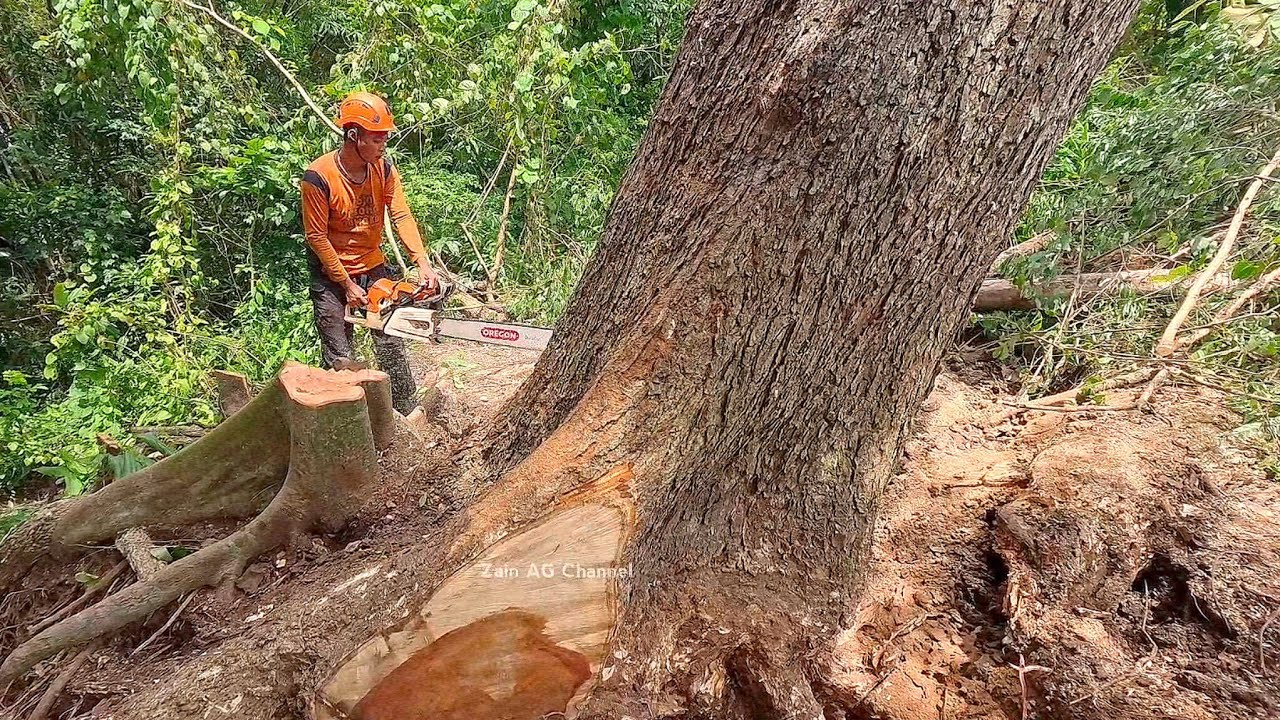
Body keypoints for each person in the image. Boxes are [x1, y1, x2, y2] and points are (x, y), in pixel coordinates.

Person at [300, 91, 439, 413]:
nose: (383, 145)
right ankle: (345, 417)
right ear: (353, 136)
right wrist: (346, 285)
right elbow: (317, 237)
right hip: (332, 273)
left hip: (373, 265)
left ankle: (405, 408)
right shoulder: (319, 177)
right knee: (340, 355)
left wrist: (422, 262)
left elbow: (401, 214)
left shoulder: (384, 169)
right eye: (376, 139)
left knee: (391, 337)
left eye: (384, 139)